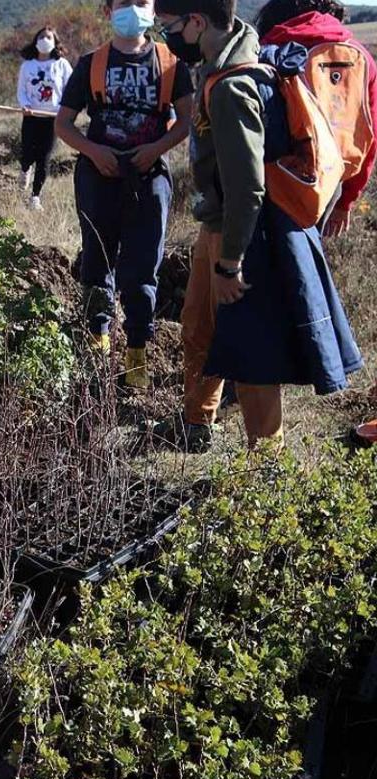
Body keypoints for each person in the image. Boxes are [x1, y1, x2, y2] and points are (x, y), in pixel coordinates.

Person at [151, 0, 363, 450]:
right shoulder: (231, 58)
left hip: (242, 235)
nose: (163, 35)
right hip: (220, 226)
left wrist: (230, 263)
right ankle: (196, 422)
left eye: (167, 26)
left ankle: (267, 464)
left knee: (252, 353)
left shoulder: (232, 86)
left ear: (196, 23)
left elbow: (248, 188)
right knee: (198, 328)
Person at [55, 0, 195, 392]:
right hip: (98, 178)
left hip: (148, 180)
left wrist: (157, 148)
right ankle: (97, 345)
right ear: (107, 10)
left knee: (142, 269)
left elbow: (185, 119)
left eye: (141, 2)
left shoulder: (171, 63)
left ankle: (136, 352)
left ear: (153, 9)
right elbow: (64, 123)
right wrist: (93, 151)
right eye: (123, 3)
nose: (132, 9)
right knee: (97, 263)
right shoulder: (91, 63)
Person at [255, 0, 377, 239]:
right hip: (332, 178)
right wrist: (346, 200)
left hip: (275, 177)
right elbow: (370, 136)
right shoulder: (361, 58)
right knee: (310, 256)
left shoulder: (270, 50)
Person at [17, 26, 74, 210]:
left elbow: (71, 88)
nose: (44, 40)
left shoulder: (62, 65)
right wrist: (25, 105)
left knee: (44, 156)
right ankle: (25, 169)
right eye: (41, 36)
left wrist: (65, 109)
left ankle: (35, 196)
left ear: (55, 42)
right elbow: (22, 90)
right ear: (35, 40)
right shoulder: (28, 65)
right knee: (27, 153)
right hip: (31, 116)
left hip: (52, 118)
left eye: (48, 37)